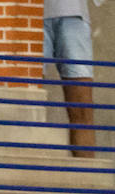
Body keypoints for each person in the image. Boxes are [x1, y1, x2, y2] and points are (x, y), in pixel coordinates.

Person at [43, 0, 96, 157]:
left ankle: (87, 177)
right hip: (25, 14)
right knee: (25, 102)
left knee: (82, 108)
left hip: (74, 13)